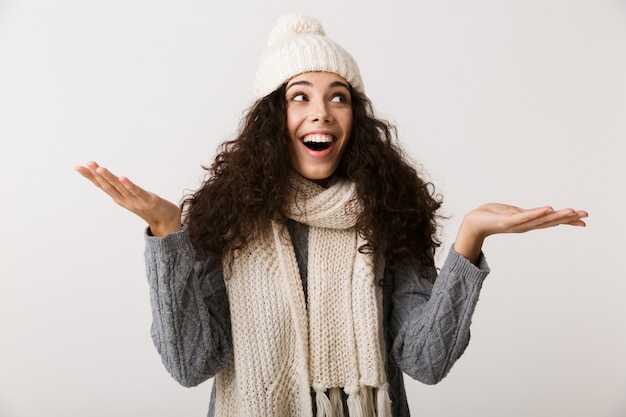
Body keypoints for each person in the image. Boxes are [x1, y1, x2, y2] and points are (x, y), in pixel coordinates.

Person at [75, 13, 588, 417]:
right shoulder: (225, 222)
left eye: (337, 98)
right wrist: (168, 234)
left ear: (354, 120)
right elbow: (191, 366)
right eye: (300, 97)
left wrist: (469, 240)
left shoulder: (390, 218)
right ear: (275, 120)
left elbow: (426, 363)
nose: (320, 111)